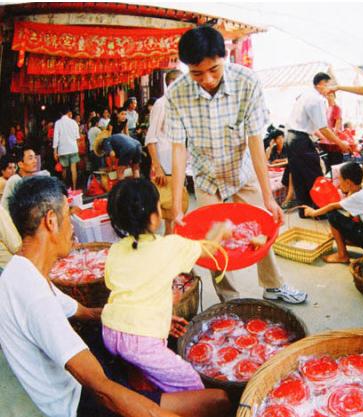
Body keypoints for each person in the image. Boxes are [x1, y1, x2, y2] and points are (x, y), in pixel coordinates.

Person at [0, 175, 230, 417]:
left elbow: (86, 312)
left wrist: (146, 316)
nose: (73, 227)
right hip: (83, 401)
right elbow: (101, 390)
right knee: (218, 401)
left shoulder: (19, 274)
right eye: (69, 215)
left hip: (106, 351)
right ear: (51, 221)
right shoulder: (36, 300)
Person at [166, 26, 306, 304]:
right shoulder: (175, 94)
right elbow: (179, 149)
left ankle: (273, 285)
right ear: (186, 68)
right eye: (196, 73)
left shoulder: (247, 82)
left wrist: (268, 196)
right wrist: (178, 206)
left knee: (261, 228)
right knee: (213, 241)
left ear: (226, 56)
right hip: (206, 176)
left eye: (214, 70)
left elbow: (255, 141)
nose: (206, 79)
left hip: (242, 172)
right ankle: (229, 298)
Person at [102, 178, 232, 393]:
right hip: (141, 341)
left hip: (111, 331)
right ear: (154, 216)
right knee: (192, 384)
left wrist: (160, 315)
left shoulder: (115, 250)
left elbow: (127, 291)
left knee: (139, 373)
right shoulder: (170, 247)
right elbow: (211, 248)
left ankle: (142, 388)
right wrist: (223, 229)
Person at [286, 72, 351, 217]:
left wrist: (326, 138)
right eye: (330, 85)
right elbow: (323, 127)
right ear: (321, 84)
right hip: (301, 140)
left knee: (299, 177)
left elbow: (315, 127)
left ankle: (304, 211)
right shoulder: (317, 99)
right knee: (315, 176)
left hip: (291, 139)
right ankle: (320, 212)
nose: (332, 89)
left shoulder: (305, 95)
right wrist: (340, 143)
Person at [304, 162, 363, 263]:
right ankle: (347, 243)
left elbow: (332, 206)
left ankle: (342, 255)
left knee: (332, 215)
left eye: (340, 180)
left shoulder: (357, 197)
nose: (339, 185)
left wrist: (313, 212)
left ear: (348, 182)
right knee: (347, 219)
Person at [146, 69, 188, 235]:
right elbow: (151, 139)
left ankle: (172, 249)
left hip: (176, 163)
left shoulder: (179, 104)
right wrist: (157, 167)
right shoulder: (161, 104)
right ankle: (168, 250)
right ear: (171, 84)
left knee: (176, 213)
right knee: (170, 215)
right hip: (165, 165)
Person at [1, 146, 37, 212]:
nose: (35, 161)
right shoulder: (15, 180)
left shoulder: (30, 179)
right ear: (20, 164)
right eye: (30, 158)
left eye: (35, 157)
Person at [53, 106, 80, 190]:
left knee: (64, 169)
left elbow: (56, 138)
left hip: (63, 150)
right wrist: (77, 148)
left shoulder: (58, 123)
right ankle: (74, 187)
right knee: (73, 168)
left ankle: (66, 187)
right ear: (68, 113)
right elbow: (77, 137)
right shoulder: (74, 122)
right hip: (73, 149)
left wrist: (55, 151)